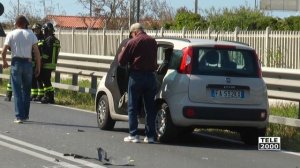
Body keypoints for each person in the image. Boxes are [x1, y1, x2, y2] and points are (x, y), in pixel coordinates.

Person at [118, 23, 158, 143]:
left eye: (131, 34)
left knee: (132, 106)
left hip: (136, 76)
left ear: (134, 32)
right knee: (150, 108)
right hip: (151, 76)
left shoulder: (132, 42)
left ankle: (134, 134)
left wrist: (123, 50)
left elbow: (121, 61)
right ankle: (150, 136)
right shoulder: (153, 41)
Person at [1, 15, 41, 123]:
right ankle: (25, 115)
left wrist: (4, 61)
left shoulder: (11, 34)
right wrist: (38, 66)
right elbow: (37, 52)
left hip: (16, 63)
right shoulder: (31, 34)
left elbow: (4, 50)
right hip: (28, 63)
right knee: (27, 91)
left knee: (17, 91)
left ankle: (19, 116)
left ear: (17, 23)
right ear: (25, 24)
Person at [39, 22, 60, 104]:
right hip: (52, 63)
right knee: (46, 80)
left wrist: (41, 61)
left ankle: (50, 97)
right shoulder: (56, 40)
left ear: (47, 30)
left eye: (44, 30)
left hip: (47, 63)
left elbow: (46, 53)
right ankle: (48, 96)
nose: (43, 32)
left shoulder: (48, 40)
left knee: (46, 80)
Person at [31, 23, 45, 101]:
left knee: (39, 78)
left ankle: (40, 95)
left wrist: (40, 60)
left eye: (38, 29)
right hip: (33, 60)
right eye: (35, 29)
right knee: (33, 78)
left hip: (40, 61)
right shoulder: (32, 37)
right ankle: (34, 94)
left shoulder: (43, 38)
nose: (37, 31)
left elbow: (43, 50)